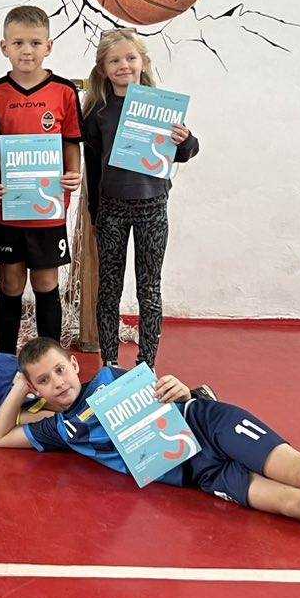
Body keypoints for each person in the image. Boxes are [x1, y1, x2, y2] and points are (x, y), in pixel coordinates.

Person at [0, 339, 300, 579]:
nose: (58, 383)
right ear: (36, 389)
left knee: (299, 470)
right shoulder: (61, 430)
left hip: (208, 424)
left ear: (75, 364)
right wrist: (16, 388)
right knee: (290, 504)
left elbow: (173, 393)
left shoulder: (115, 379)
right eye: (43, 381)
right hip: (201, 472)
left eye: (60, 370)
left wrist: (178, 389)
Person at [80, 28, 199, 368]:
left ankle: (147, 364)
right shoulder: (98, 111)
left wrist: (186, 139)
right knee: (109, 288)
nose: (124, 65)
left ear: (143, 62)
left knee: (149, 289)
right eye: (114, 60)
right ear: (103, 69)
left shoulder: (160, 106)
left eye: (130, 58)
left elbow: (185, 152)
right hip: (112, 209)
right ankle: (110, 364)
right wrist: (95, 213)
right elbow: (92, 165)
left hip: (152, 206)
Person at [0, 6, 83, 352]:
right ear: (4, 47)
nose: (27, 50)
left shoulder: (64, 91)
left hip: (47, 210)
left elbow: (70, 141)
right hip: (8, 207)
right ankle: (6, 360)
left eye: (35, 43)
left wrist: (73, 172)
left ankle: (50, 359)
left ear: (49, 46)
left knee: (45, 282)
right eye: (18, 43)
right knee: (11, 283)